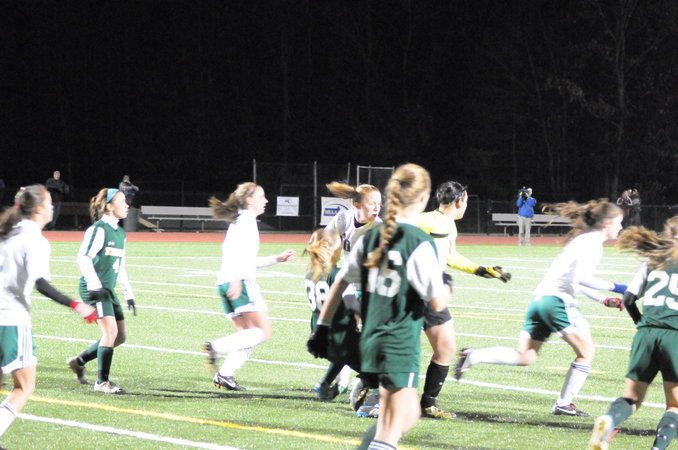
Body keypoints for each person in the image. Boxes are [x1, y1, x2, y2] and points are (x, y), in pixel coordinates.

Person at [308, 163, 450, 450]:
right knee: (394, 425)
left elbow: (341, 282)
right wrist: (445, 283)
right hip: (399, 341)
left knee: (402, 417)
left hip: (372, 338)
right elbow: (436, 302)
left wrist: (322, 327)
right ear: (424, 199)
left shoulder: (373, 235)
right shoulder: (418, 241)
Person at [455, 199, 629, 417]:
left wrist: (603, 300)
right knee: (586, 353)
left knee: (526, 356)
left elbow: (574, 280)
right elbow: (581, 278)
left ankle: (474, 355)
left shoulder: (583, 240)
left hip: (540, 300)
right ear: (606, 222)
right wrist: (620, 287)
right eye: (619, 222)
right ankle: (564, 403)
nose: (621, 227)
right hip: (557, 302)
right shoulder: (592, 243)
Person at [0, 185, 96, 440]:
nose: (53, 207)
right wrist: (76, 305)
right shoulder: (35, 240)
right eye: (50, 202)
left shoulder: (5, 232)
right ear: (39, 209)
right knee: (24, 387)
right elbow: (41, 283)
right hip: (10, 320)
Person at [415, 181, 511, 419]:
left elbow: (450, 256)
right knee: (400, 349)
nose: (466, 205)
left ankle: (427, 405)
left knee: (445, 348)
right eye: (466, 200)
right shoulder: (429, 220)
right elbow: (397, 228)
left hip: (431, 293)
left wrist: (481, 270)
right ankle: (369, 387)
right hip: (414, 292)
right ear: (460, 202)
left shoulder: (447, 225)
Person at [588, 217, 678, 450]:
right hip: (675, 336)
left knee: (632, 398)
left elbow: (628, 299)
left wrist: (642, 324)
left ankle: (609, 421)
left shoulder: (653, 260)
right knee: (675, 405)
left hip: (645, 334)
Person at [203, 182, 295, 391]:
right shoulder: (246, 220)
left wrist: (276, 259)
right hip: (240, 283)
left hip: (226, 282)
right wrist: (236, 278)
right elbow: (233, 253)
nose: (266, 201)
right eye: (262, 196)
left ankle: (224, 375)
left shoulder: (241, 220)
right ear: (249, 200)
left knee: (247, 337)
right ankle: (216, 347)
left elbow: (244, 258)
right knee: (263, 332)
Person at [66, 188, 136, 394]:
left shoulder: (121, 233)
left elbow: (120, 265)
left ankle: (79, 362)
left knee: (119, 336)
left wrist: (129, 293)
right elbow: (83, 257)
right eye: (122, 201)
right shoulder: (98, 229)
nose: (127, 205)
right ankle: (102, 382)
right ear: (109, 206)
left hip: (107, 290)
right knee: (110, 332)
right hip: (94, 288)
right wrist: (95, 286)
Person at [322, 181, 382, 407]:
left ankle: (351, 381)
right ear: (357, 205)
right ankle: (343, 382)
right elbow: (327, 241)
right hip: (347, 284)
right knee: (348, 337)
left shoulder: (378, 227)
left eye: (379, 203)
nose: (376, 207)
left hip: (370, 287)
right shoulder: (343, 218)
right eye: (371, 203)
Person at [303, 228, 361, 401]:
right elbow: (353, 304)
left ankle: (327, 383)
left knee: (345, 355)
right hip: (339, 337)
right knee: (381, 370)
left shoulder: (311, 273)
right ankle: (367, 404)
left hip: (320, 335)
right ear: (331, 249)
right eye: (340, 245)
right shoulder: (338, 275)